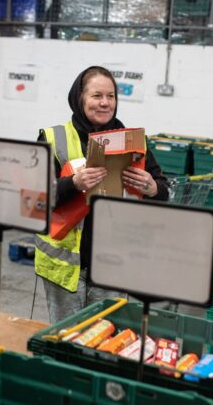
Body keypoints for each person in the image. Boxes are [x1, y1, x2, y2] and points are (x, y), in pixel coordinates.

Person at [34, 66, 170, 324]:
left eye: (111, 96)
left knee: (104, 339)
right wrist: (72, 183)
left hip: (113, 266)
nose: (105, 103)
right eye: (97, 96)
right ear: (80, 97)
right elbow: (33, 198)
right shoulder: (54, 138)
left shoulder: (134, 142)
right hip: (65, 267)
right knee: (66, 337)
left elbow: (162, 192)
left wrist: (152, 187)